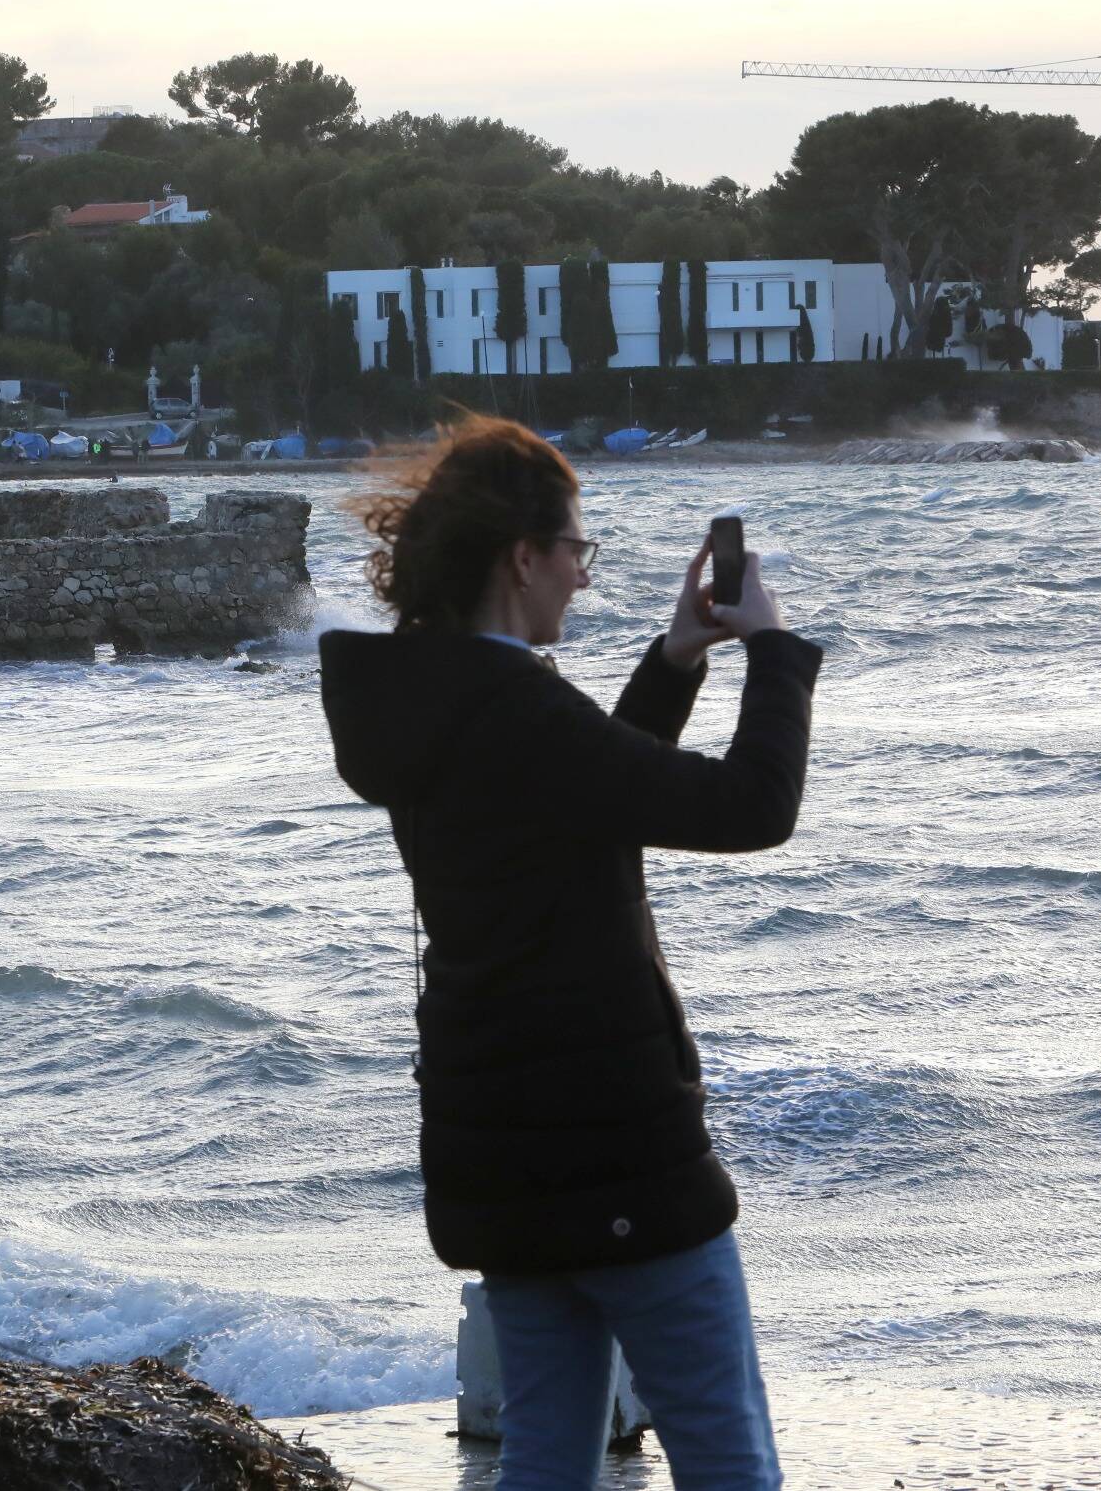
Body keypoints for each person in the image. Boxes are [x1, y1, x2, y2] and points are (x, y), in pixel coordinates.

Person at [318, 416, 823, 1491]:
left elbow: (588, 796)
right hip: (615, 1148)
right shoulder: (517, 710)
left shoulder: (425, 700)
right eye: (576, 553)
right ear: (520, 557)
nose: (581, 581)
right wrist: (773, 654)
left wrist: (677, 657)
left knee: (544, 1456)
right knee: (727, 1455)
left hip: (498, 1148)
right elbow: (750, 806)